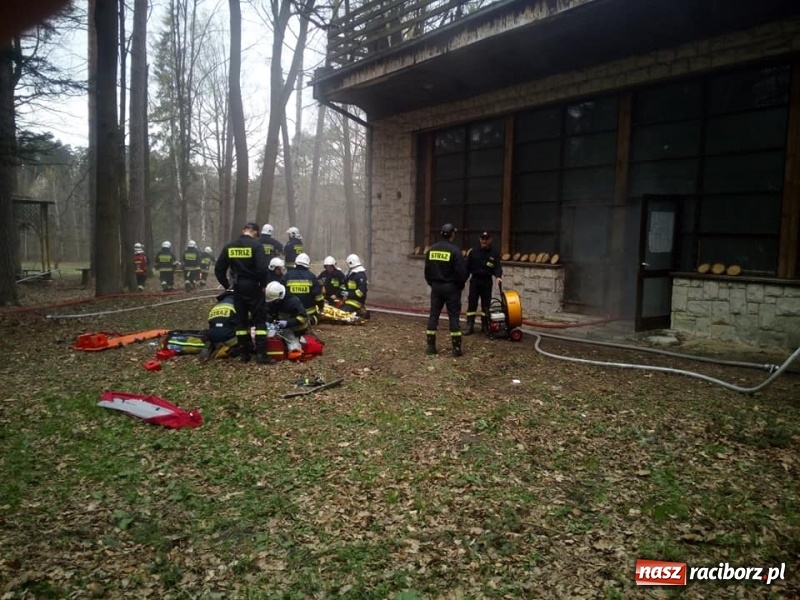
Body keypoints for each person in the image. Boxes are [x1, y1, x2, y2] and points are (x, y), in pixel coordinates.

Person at [214, 222, 270, 364]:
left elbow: (219, 269)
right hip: (253, 286)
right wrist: (263, 285)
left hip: (237, 287)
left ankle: (244, 354)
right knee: (259, 319)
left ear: (243, 230)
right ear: (256, 233)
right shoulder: (257, 246)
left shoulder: (230, 246)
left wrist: (228, 285)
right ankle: (261, 355)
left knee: (241, 321)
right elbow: (262, 269)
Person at [424, 223, 467, 357]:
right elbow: (461, 272)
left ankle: (431, 347)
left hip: (436, 287)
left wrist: (432, 283)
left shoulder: (431, 250)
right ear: (452, 235)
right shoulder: (455, 251)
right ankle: (456, 349)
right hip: (451, 288)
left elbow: (427, 271)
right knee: (453, 317)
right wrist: (459, 286)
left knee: (433, 315)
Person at [464, 231, 502, 335]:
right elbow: (467, 268)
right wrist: (462, 280)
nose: (484, 241)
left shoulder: (494, 252)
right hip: (475, 281)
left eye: (486, 239)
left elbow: (497, 267)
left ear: (490, 240)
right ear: (480, 239)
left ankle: (485, 325)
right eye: (482, 238)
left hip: (486, 281)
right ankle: (469, 325)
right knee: (472, 304)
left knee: (486, 305)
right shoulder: (473, 252)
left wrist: (498, 276)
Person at [265, 281, 310, 359]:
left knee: (292, 343)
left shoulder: (292, 302)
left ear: (280, 296)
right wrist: (267, 322)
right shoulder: (274, 301)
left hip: (297, 328)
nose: (273, 302)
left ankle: (297, 344)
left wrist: (287, 323)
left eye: (274, 300)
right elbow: (270, 313)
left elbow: (303, 317)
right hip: (281, 326)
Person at [283, 253, 324, 326]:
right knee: (316, 318)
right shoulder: (311, 277)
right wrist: (321, 307)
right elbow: (318, 296)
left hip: (291, 313)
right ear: (307, 264)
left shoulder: (287, 276)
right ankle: (310, 321)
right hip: (309, 313)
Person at [202, 290, 238, 359]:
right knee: (244, 338)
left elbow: (210, 323)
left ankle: (212, 344)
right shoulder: (237, 303)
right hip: (229, 337)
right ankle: (228, 350)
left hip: (212, 336)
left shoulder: (216, 306)